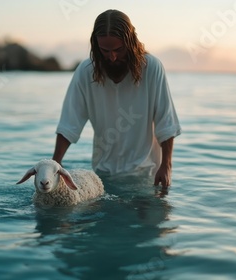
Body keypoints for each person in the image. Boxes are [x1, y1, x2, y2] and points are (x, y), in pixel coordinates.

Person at [52, 9, 181, 187]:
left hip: (146, 176)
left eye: (119, 50)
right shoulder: (86, 71)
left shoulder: (151, 68)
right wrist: (55, 164)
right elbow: (69, 123)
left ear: (131, 42)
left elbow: (165, 123)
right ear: (96, 46)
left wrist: (166, 166)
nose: (112, 57)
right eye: (105, 50)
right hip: (104, 176)